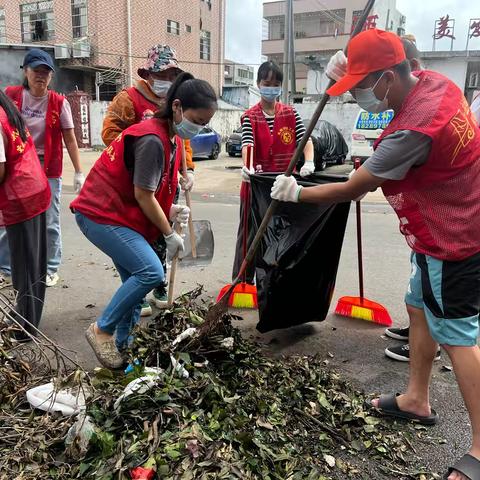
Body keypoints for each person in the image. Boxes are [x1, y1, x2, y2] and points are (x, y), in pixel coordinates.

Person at [271, 29, 480, 480]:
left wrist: (295, 193)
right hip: (439, 226)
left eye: (364, 87)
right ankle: (416, 400)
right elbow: (398, 51)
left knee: (458, 337)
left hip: (454, 237)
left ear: (388, 77)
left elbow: (352, 188)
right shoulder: (433, 82)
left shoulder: (410, 130)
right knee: (417, 305)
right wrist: (343, 66)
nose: (361, 97)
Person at [71, 73, 217, 369]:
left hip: (121, 216)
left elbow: (153, 190)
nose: (199, 128)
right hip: (100, 214)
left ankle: (123, 353)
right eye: (197, 120)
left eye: (205, 123)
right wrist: (168, 233)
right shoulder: (152, 138)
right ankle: (102, 330)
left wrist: (172, 209)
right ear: (177, 107)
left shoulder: (172, 140)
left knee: (135, 291)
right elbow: (143, 195)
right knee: (151, 272)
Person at [102, 44, 195, 313]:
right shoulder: (128, 98)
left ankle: (159, 284)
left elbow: (183, 139)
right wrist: (141, 148)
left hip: (167, 180)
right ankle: (138, 289)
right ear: (149, 74)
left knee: (163, 232)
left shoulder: (175, 103)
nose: (167, 81)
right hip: (139, 180)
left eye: (172, 75)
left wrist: (188, 170)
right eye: (162, 75)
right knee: (138, 235)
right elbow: (109, 133)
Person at [0, 48, 84, 289]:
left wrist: (79, 171)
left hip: (47, 169)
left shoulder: (59, 102)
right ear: (25, 72)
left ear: (51, 76)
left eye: (46, 72)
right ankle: (6, 267)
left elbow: (69, 138)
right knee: (8, 218)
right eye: (36, 71)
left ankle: (50, 267)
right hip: (16, 167)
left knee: (49, 220)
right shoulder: (11, 96)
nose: (41, 76)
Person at [232, 60, 314, 284]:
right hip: (255, 185)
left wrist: (309, 161)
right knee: (250, 235)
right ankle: (243, 281)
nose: (271, 87)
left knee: (282, 233)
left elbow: (304, 140)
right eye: (267, 83)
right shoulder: (250, 116)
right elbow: (248, 142)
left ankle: (275, 282)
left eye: (276, 83)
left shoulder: (290, 114)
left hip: (285, 185)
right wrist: (246, 166)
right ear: (258, 84)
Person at [0, 89, 51, 339]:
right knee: (33, 262)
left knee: (24, 265)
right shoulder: (7, 109)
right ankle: (27, 316)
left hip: (20, 196)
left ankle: (25, 327)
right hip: (34, 188)